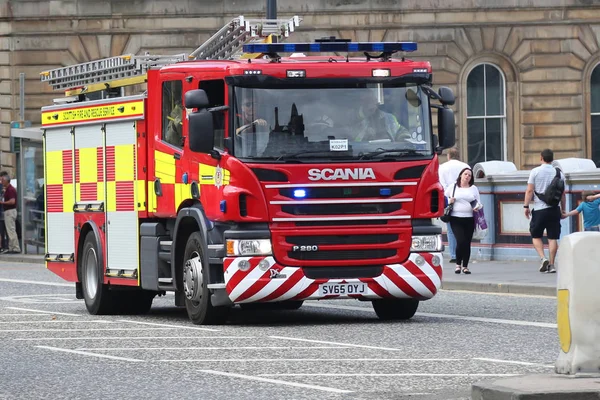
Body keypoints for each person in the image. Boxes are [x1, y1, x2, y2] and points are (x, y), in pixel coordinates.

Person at [523, 149, 565, 274]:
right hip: (554, 210)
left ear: (541, 158)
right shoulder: (559, 173)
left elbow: (530, 191)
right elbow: (562, 194)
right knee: (553, 238)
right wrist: (562, 209)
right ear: (552, 158)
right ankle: (552, 264)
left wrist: (526, 206)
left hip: (539, 209)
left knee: (536, 236)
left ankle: (543, 258)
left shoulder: (535, 171)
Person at [445, 167, 481, 275]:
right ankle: (457, 264)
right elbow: (443, 198)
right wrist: (449, 201)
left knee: (467, 242)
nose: (467, 177)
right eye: (465, 174)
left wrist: (477, 207)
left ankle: (465, 266)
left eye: (469, 175)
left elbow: (479, 202)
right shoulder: (453, 187)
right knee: (460, 241)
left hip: (469, 218)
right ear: (461, 175)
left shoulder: (473, 188)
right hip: (456, 218)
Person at [438, 147, 469, 263]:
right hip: (465, 198)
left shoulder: (443, 167)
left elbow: (442, 185)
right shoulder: (465, 166)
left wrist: (448, 198)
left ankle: (454, 255)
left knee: (451, 229)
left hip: (450, 199)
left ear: (448, 156)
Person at [0, 172, 20, 254]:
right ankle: (11, 247)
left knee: (11, 230)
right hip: (8, 211)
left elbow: (12, 201)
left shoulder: (10, 189)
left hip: (10, 211)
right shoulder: (7, 189)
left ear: (6, 181)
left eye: (2, 180)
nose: (1, 182)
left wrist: (2, 203)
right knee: (9, 230)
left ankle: (15, 248)